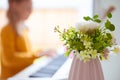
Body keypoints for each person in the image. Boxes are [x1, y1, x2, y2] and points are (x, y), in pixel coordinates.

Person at [1, 0, 56, 79]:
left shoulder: (23, 29)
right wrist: (37, 55)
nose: (30, 11)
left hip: (23, 76)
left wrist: (41, 51)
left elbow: (27, 53)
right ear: (14, 5)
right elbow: (9, 60)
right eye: (27, 8)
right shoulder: (7, 30)